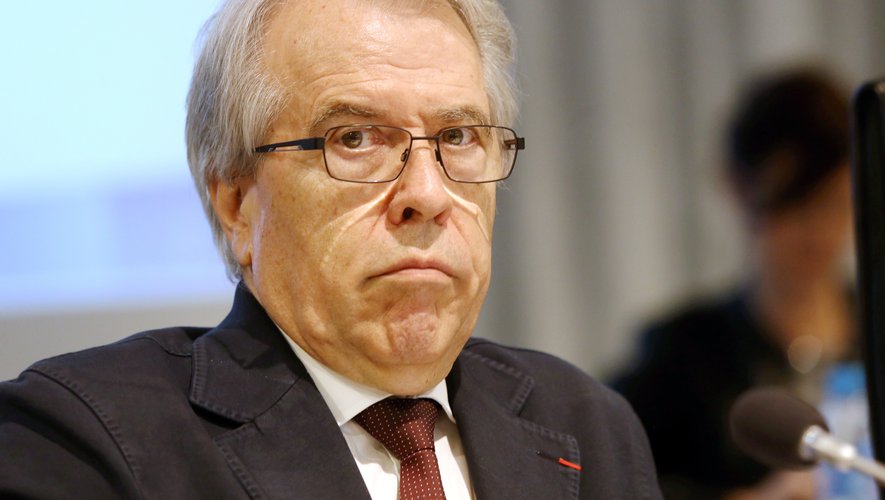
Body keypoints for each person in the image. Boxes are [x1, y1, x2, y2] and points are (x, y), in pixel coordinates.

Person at [0, 0, 662, 498]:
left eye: (458, 137)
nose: (427, 194)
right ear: (237, 204)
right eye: (355, 139)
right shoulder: (84, 439)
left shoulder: (586, 422)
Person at [611, 68, 856, 499]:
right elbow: (606, 473)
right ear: (739, 187)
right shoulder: (683, 353)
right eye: (793, 202)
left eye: (833, 203)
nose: (816, 231)